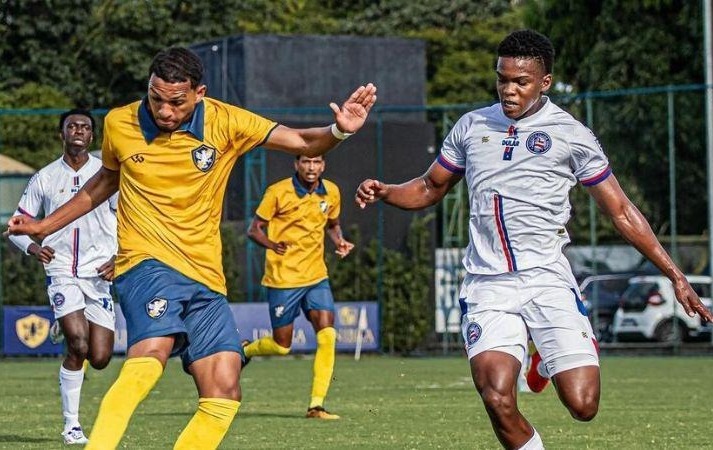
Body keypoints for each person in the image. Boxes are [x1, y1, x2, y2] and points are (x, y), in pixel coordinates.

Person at [355, 29, 713, 449]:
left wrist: (675, 275)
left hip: (547, 278)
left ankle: (544, 360)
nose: (509, 90)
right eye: (502, 79)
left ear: (544, 82)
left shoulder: (571, 134)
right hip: (487, 284)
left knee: (583, 405)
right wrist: (387, 192)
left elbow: (620, 211)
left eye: (520, 82)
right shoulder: (471, 127)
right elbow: (431, 188)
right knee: (496, 396)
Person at [6, 47, 375, 450]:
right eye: (155, 97)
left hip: (204, 272)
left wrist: (339, 131)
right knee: (151, 355)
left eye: (176, 102)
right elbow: (105, 183)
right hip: (145, 261)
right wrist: (44, 225)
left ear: (199, 93)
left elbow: (303, 140)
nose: (164, 110)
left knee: (224, 386)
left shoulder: (227, 121)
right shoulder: (119, 123)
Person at [8, 109, 117, 445]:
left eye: (85, 127)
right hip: (62, 271)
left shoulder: (108, 174)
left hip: (99, 272)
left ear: (92, 136)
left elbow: (131, 220)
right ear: (62, 134)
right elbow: (15, 227)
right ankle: (72, 425)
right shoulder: (44, 177)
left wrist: (119, 257)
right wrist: (32, 248)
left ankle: (65, 323)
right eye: (72, 126)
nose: (79, 131)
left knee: (99, 358)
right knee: (79, 345)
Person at [244, 154, 353, 420]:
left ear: (324, 165)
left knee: (327, 336)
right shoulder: (278, 191)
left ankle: (316, 405)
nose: (311, 167)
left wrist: (339, 241)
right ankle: (245, 350)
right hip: (284, 278)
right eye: (306, 162)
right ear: (296, 164)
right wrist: (272, 245)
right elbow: (254, 229)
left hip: (316, 276)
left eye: (316, 162)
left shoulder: (332, 192)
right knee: (282, 346)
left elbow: (333, 224)